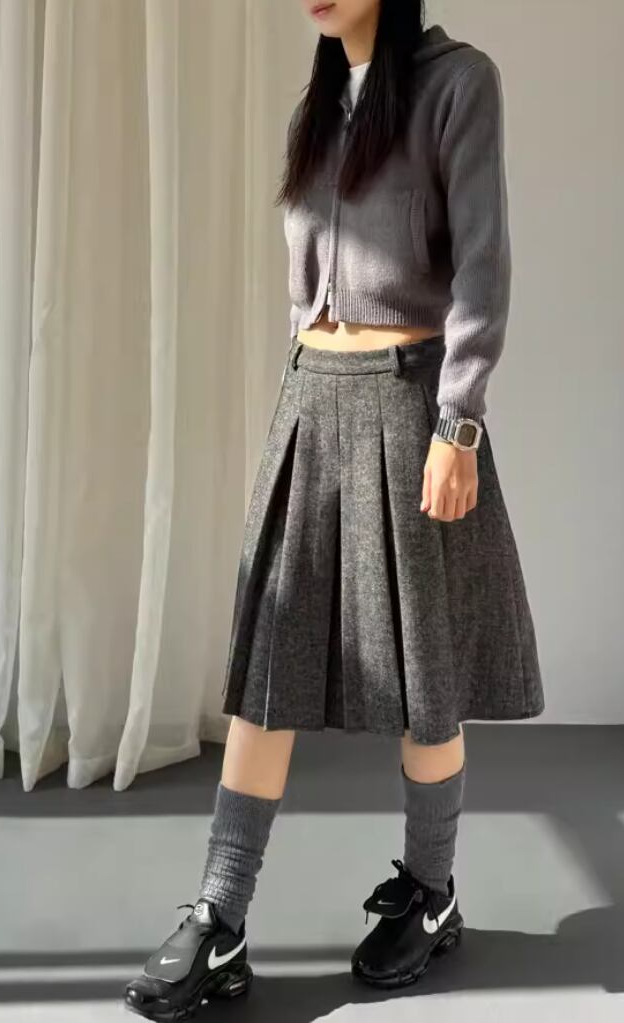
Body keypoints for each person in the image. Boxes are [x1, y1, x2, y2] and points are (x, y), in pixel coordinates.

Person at [123, 1, 544, 1018]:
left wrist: (458, 423)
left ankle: (432, 892)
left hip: (411, 404)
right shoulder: (315, 106)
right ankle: (220, 917)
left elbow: (481, 263)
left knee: (426, 674)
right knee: (267, 671)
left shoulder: (459, 83)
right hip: (311, 401)